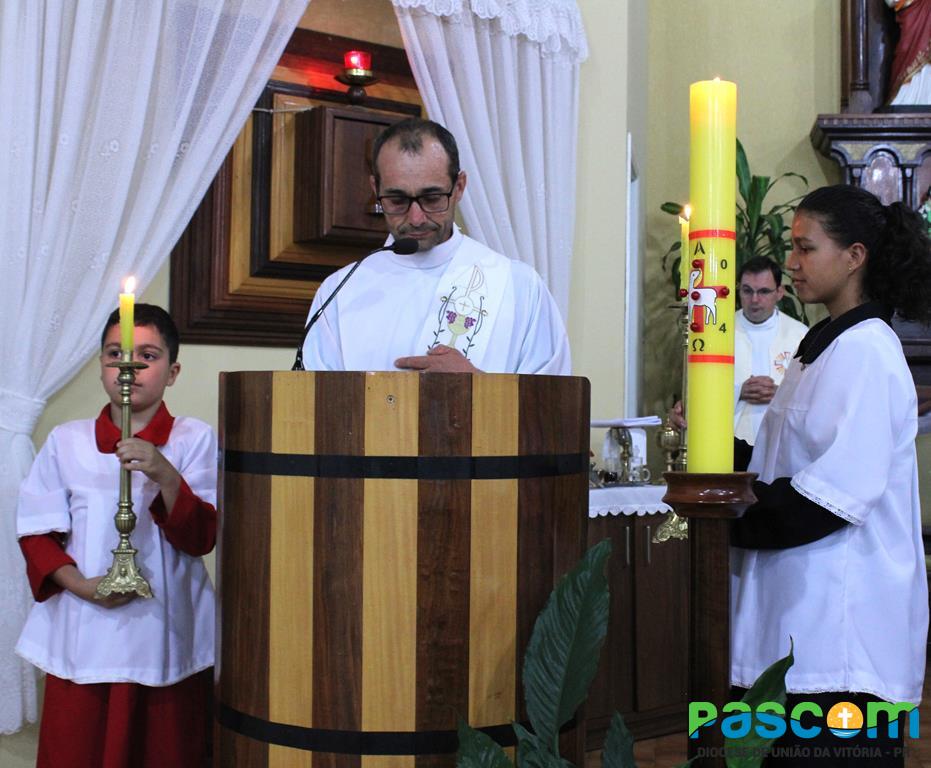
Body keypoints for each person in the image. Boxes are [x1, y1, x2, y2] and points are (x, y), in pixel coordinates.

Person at [730, 185, 931, 767]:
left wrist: (727, 518)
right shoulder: (819, 345)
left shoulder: (868, 351)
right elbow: (784, 460)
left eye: (805, 247)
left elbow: (830, 497)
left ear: (855, 256)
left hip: (840, 632)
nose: (791, 262)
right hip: (794, 615)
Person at [15, 304, 217, 768]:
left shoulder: (194, 438)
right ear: (102, 366)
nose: (129, 368)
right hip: (84, 631)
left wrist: (166, 475)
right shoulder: (68, 441)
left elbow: (201, 536)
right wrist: (83, 585)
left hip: (164, 630)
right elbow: (36, 534)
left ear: (173, 371)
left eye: (147, 356)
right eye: (115, 355)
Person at [299, 118, 571, 374]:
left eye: (432, 198)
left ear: (460, 186)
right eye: (397, 200)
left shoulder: (519, 287)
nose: (416, 218)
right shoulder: (339, 292)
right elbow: (315, 404)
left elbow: (552, 406)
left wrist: (479, 387)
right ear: (375, 188)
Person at [733, 256, 808, 443]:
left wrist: (781, 394)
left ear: (780, 293)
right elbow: (698, 392)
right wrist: (738, 392)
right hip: (730, 443)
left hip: (782, 442)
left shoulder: (799, 335)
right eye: (747, 291)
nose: (754, 299)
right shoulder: (719, 333)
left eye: (764, 291)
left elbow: (813, 394)